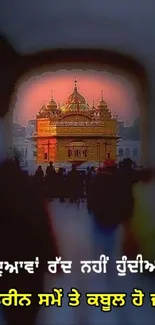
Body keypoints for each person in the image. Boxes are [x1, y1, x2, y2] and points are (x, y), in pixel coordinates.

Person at [0, 159, 60, 325]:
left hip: (6, 271)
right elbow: (44, 232)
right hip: (31, 271)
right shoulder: (32, 200)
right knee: (29, 312)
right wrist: (53, 260)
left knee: (11, 311)